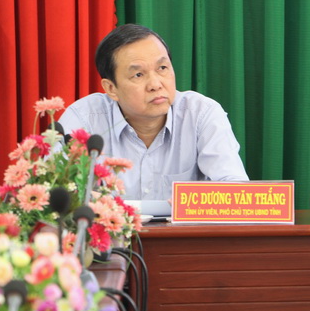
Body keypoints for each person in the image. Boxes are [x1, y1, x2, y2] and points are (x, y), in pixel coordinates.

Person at [59, 24, 248, 200]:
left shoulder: (201, 114)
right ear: (111, 88)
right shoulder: (84, 119)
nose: (156, 84)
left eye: (162, 68)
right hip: (110, 226)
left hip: (183, 227)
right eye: (138, 75)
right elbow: (55, 189)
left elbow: (236, 192)